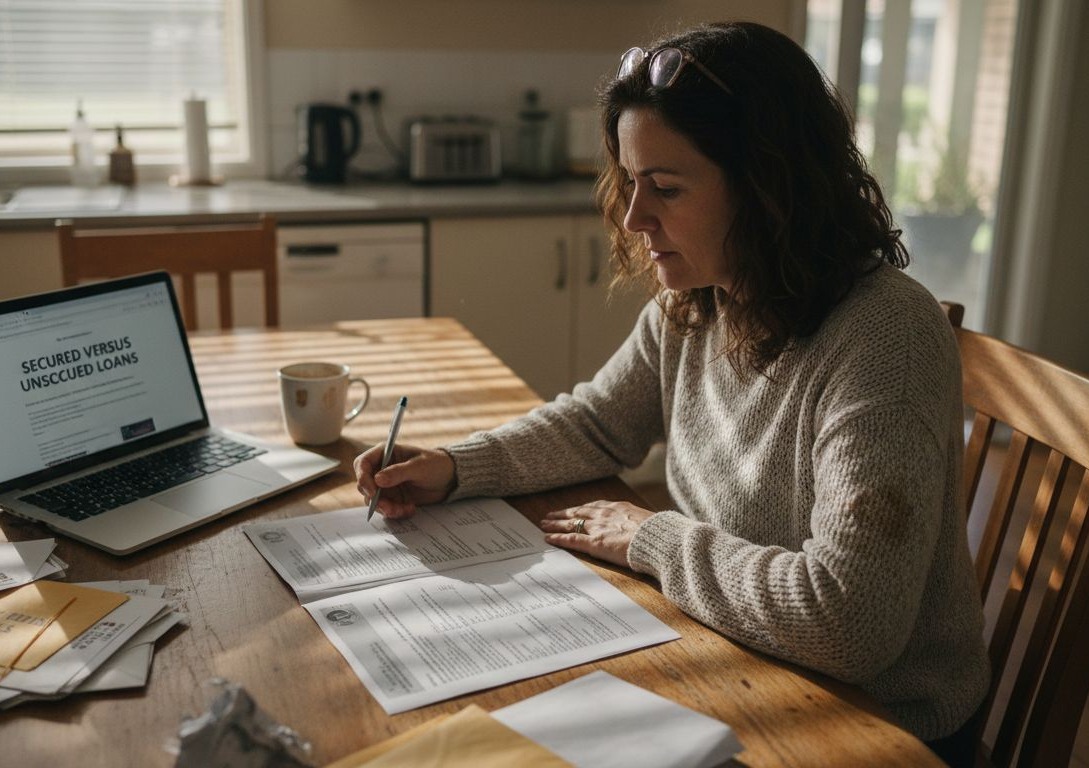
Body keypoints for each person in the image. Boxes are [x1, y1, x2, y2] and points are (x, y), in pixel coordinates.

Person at [354, 21, 988, 765]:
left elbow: (847, 621)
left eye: (666, 187)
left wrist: (648, 536)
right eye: (630, 181)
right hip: (741, 658)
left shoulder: (886, 338)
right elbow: (596, 426)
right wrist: (456, 467)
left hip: (876, 727)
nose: (633, 217)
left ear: (768, 188)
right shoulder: (702, 299)